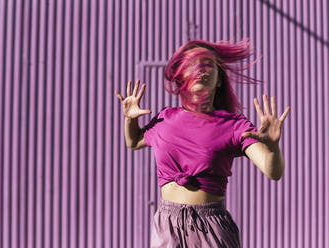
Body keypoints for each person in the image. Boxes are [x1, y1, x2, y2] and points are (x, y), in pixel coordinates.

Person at [114, 39, 290, 247]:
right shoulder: (165, 119)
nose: (200, 69)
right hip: (166, 226)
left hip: (211, 229)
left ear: (218, 80)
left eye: (207, 64)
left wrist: (272, 147)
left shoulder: (233, 125)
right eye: (192, 64)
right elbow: (133, 142)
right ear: (180, 77)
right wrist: (130, 119)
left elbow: (273, 172)